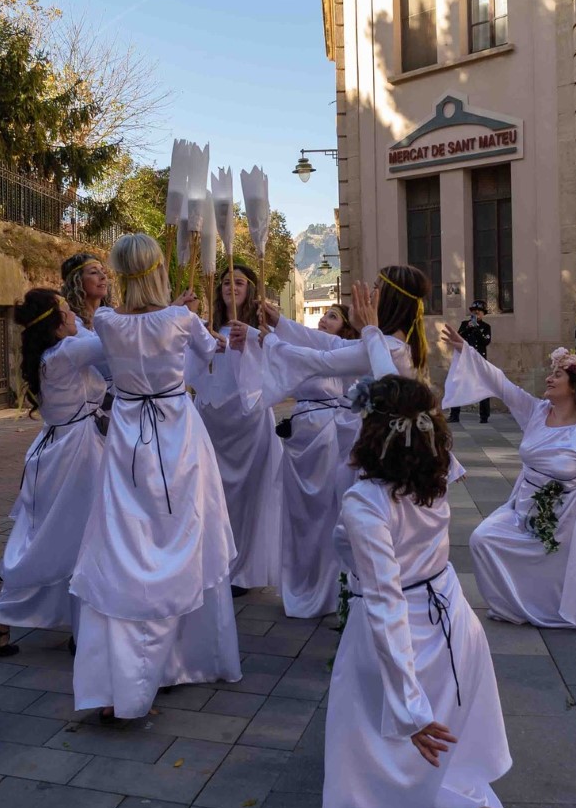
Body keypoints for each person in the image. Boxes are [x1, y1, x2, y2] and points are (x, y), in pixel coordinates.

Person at [316, 372, 548, 808]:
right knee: (439, 762)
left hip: (406, 637)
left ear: (372, 429)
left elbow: (385, 602)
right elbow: (404, 402)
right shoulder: (437, 470)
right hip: (453, 625)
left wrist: (409, 709)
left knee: (373, 775)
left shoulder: (365, 501)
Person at [70, 233, 240, 721]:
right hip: (177, 433)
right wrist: (195, 320)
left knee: (126, 538)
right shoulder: (182, 319)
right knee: (185, 534)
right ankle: (184, 655)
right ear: (159, 268)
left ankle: (124, 671)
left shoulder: (106, 320)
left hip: (127, 436)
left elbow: (127, 340)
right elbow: (212, 353)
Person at [443, 337, 576, 631]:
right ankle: (511, 605)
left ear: (574, 385)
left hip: (567, 519)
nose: (549, 378)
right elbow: (502, 384)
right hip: (523, 507)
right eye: (551, 373)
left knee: (567, 598)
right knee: (483, 539)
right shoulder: (536, 412)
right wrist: (466, 350)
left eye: (557, 375)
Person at [252, 284, 422, 618]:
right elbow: (331, 344)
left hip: (377, 452)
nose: (366, 299)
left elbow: (326, 359)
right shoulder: (383, 344)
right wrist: (281, 323)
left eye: (374, 293)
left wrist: (271, 342)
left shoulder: (387, 347)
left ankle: (370, 603)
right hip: (369, 446)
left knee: (357, 528)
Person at [0, 288, 108, 657]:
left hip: (60, 449)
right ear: (55, 323)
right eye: (66, 310)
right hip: (77, 454)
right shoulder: (66, 353)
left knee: (57, 538)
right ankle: (81, 629)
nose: (73, 314)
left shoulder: (52, 353)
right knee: (80, 538)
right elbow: (111, 344)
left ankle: (3, 620)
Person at [195, 262, 284, 596]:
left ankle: (243, 569)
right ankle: (217, 564)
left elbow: (274, 367)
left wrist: (249, 345)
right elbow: (193, 368)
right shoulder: (208, 327)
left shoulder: (262, 331)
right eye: (226, 282)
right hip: (213, 422)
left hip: (249, 423)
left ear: (251, 290)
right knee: (214, 495)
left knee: (249, 498)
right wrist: (205, 346)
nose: (231, 287)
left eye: (239, 283)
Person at [449, 302, 493, 424]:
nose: (476, 313)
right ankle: (454, 415)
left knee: (484, 387)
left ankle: (484, 416)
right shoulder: (465, 324)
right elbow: (458, 337)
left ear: (483, 314)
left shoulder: (486, 327)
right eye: (474, 311)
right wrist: (468, 327)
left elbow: (486, 341)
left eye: (479, 311)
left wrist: (477, 328)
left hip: (478, 360)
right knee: (457, 385)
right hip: (465, 359)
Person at [60, 252, 114, 330]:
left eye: (104, 272)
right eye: (93, 272)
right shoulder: (70, 323)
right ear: (76, 281)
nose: (103, 277)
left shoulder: (113, 318)